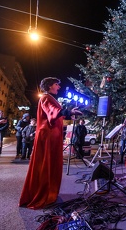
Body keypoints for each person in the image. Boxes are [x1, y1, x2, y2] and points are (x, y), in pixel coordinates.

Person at [19, 77, 82, 209]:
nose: (58, 87)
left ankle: (49, 193)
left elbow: (58, 114)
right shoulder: (46, 98)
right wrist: (68, 111)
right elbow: (52, 112)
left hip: (52, 135)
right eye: (56, 85)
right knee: (45, 164)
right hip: (47, 136)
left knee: (50, 164)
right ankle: (43, 194)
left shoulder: (50, 98)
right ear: (49, 86)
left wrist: (70, 114)